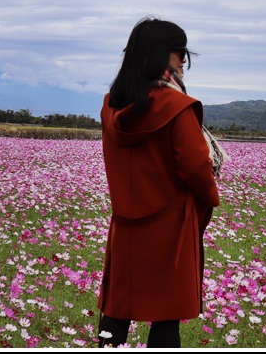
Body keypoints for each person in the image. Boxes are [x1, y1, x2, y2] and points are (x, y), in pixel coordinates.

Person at [97, 17, 228, 348]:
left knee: (116, 312)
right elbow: (197, 169)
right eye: (181, 53)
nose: (183, 62)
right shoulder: (178, 107)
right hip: (171, 226)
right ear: (163, 54)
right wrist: (211, 198)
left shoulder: (112, 104)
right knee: (166, 318)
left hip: (125, 224)